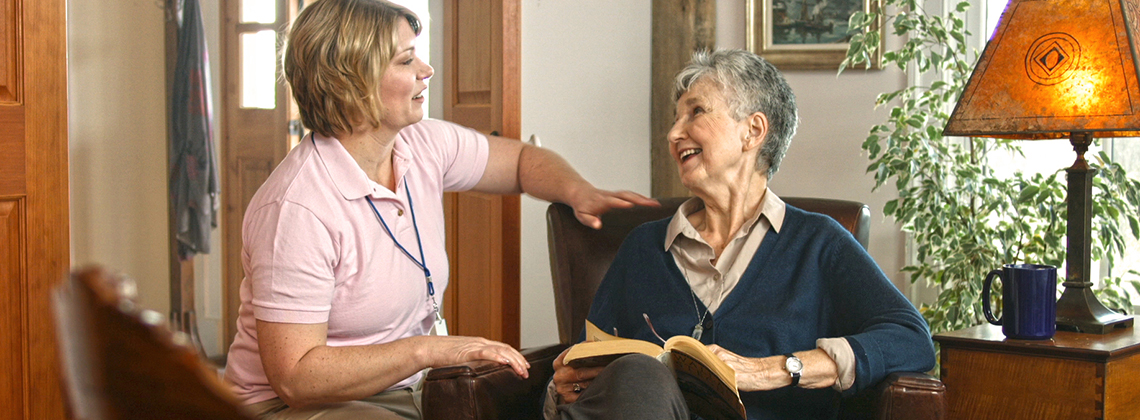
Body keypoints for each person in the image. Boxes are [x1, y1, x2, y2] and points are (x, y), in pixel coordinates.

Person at [223, 1, 657, 419]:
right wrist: (428, 350)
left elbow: (523, 162)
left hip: (404, 388)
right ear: (353, 81)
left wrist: (577, 190)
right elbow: (296, 377)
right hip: (287, 407)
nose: (426, 71)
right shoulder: (297, 208)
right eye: (406, 60)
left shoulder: (421, 145)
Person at [546, 49, 936, 420]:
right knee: (638, 374)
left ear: (753, 131)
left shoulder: (818, 243)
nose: (673, 133)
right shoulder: (643, 247)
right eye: (675, 119)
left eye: (695, 112)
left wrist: (777, 369)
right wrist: (565, 383)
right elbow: (583, 364)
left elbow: (911, 339)